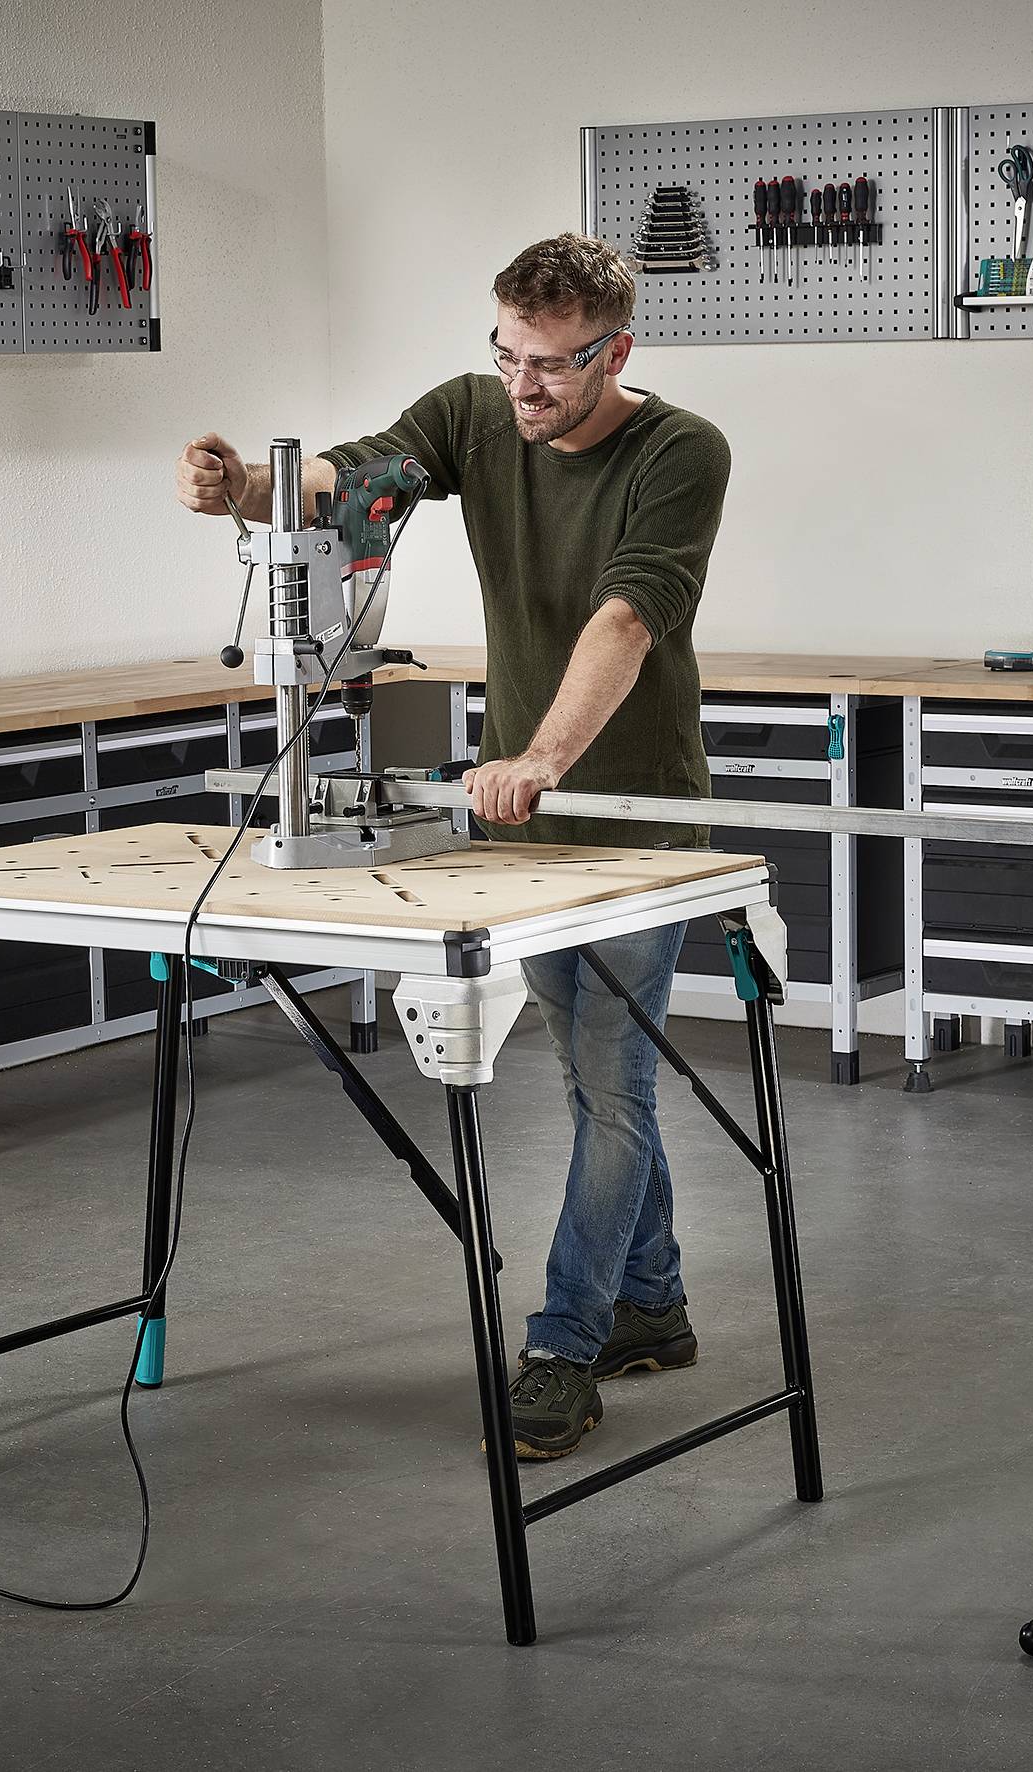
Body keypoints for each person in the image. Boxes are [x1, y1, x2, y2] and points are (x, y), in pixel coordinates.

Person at [174, 233, 732, 1460]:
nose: (522, 386)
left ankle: (562, 1345)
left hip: (631, 819)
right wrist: (249, 490)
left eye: (551, 364)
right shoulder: (476, 416)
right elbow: (355, 479)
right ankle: (655, 1304)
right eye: (506, 354)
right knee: (603, 1083)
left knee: (612, 1083)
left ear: (614, 351)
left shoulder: (681, 450)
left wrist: (537, 756)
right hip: (519, 825)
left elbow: (627, 617)